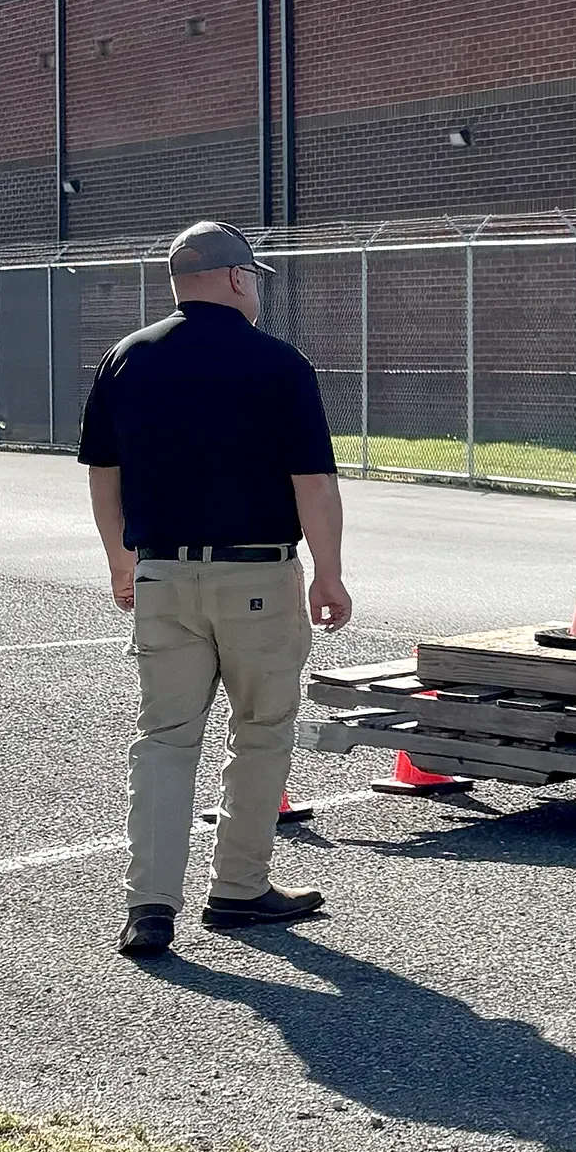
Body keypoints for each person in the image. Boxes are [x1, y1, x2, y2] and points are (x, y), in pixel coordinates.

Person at [79, 220, 353, 959]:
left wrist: (119, 559)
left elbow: (105, 474)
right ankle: (237, 888)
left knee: (165, 740)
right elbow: (313, 481)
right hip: (256, 573)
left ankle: (150, 908)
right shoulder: (277, 364)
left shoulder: (125, 359)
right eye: (256, 277)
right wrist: (327, 572)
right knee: (260, 730)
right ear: (237, 277)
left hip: (161, 570)